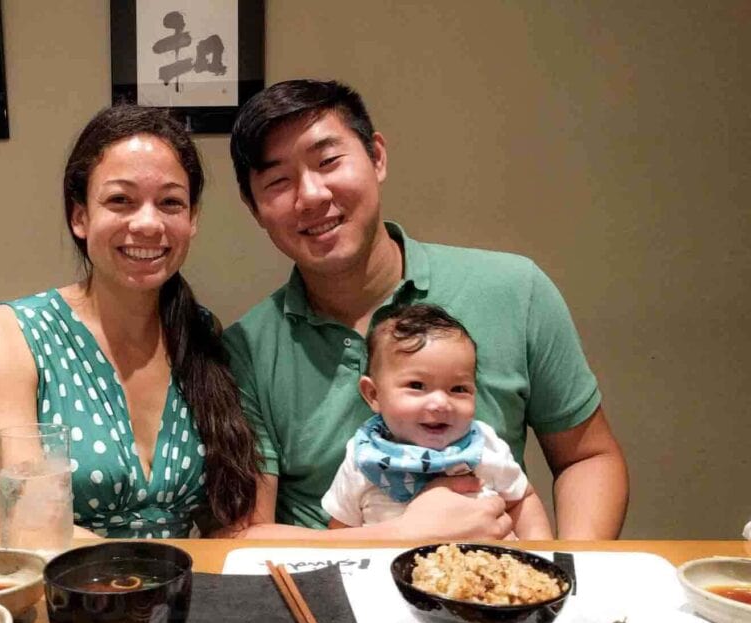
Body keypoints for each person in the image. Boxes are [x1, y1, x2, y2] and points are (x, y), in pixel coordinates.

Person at [222, 79, 628, 540]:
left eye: (329, 161)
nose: (311, 194)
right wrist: (400, 535)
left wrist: (564, 574)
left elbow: (587, 456)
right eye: (277, 181)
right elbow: (245, 535)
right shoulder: (246, 349)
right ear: (254, 207)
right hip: (328, 597)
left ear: (377, 156)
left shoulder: (515, 289)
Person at [0, 105, 261, 539]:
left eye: (170, 203)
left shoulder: (198, 331)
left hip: (177, 594)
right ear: (80, 216)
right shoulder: (4, 334)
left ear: (192, 219)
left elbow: (220, 516)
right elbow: (26, 522)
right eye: (120, 200)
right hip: (62, 593)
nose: (147, 223)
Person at [322, 304, 553, 540]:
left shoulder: (483, 446)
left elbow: (521, 499)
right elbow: (340, 535)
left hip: (488, 571)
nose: (441, 403)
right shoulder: (362, 459)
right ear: (373, 394)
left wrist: (544, 556)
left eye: (458, 389)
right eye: (417, 386)